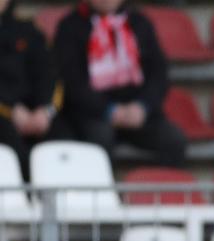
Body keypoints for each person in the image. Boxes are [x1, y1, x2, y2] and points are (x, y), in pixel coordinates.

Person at [52, 0, 185, 166]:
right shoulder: (70, 26)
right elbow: (71, 82)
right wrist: (109, 111)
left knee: (173, 140)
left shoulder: (139, 23)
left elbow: (159, 74)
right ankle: (106, 191)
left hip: (138, 112)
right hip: (92, 114)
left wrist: (143, 106)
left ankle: (151, 189)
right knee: (99, 141)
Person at [0, 0, 58, 179]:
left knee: (60, 142)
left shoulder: (28, 29)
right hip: (6, 113)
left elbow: (49, 72)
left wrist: (44, 110)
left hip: (34, 113)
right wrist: (11, 110)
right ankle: (22, 201)